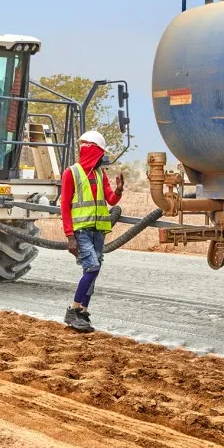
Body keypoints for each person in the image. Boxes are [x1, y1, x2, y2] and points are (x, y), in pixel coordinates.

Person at [61, 131, 124, 333]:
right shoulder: (71, 173)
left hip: (98, 231)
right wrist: (70, 236)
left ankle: (83, 312)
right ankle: (72, 311)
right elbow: (64, 206)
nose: (102, 161)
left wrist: (119, 190)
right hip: (81, 231)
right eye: (100, 156)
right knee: (91, 268)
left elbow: (111, 200)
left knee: (93, 271)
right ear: (92, 154)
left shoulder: (100, 174)